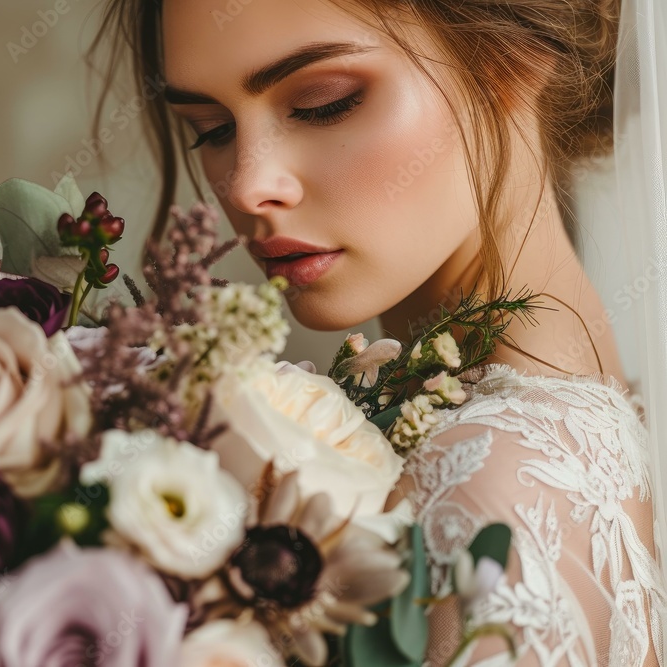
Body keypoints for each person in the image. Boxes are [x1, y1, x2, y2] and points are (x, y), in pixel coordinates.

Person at [90, 0, 667, 664]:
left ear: (512, 58)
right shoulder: (588, 427)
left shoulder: (492, 481)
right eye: (211, 129)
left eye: (323, 105)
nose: (247, 186)